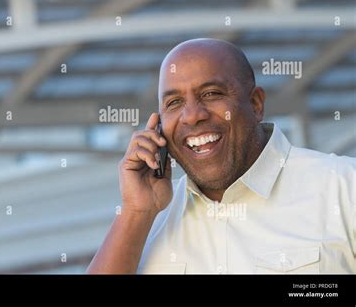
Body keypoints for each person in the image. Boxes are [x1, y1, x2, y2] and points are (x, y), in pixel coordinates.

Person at [87, 38, 356, 274]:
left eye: (211, 94)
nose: (192, 115)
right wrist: (136, 212)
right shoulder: (146, 222)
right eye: (174, 103)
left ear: (255, 104)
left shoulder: (343, 188)